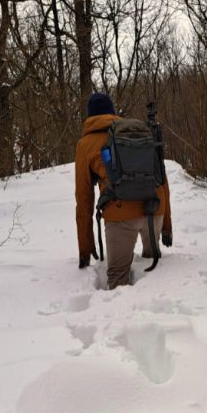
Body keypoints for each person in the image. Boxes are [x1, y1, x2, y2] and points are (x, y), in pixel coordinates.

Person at [75, 92, 172, 289]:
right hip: (153, 208)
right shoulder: (137, 133)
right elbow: (162, 179)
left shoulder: (85, 144)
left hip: (120, 214)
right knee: (153, 268)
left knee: (118, 281)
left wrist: (85, 249)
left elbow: (84, 197)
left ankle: (122, 316)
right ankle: (158, 304)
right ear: (112, 112)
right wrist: (167, 228)